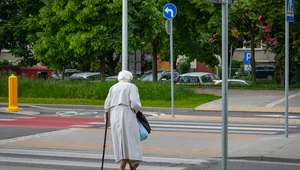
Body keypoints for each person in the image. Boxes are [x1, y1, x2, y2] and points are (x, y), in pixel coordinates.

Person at [104, 70, 142, 170]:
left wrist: (107, 121)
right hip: (127, 114)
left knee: (120, 141)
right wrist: (137, 111)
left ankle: (131, 164)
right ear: (129, 78)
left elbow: (106, 105)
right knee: (129, 140)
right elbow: (135, 103)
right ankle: (131, 163)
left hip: (114, 114)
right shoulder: (131, 87)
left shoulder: (113, 88)